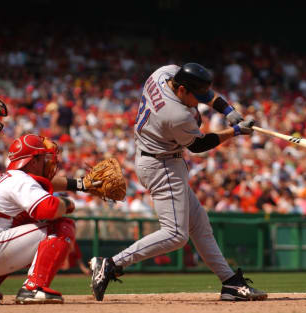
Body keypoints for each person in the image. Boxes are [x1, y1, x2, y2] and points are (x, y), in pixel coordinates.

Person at [90, 63, 267, 301]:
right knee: (175, 235)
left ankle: (231, 283)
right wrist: (234, 131)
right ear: (182, 90)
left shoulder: (163, 72)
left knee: (200, 225)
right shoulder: (177, 114)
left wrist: (227, 110)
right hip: (161, 165)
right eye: (196, 96)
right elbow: (199, 145)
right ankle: (110, 264)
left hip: (158, 157)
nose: (201, 100)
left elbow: (205, 94)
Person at [0, 134, 77, 304]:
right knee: (62, 225)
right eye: (44, 158)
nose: (48, 162)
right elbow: (49, 208)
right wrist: (68, 203)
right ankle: (33, 288)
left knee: (22, 223)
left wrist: (80, 185)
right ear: (33, 161)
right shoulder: (21, 179)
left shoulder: (0, 179)